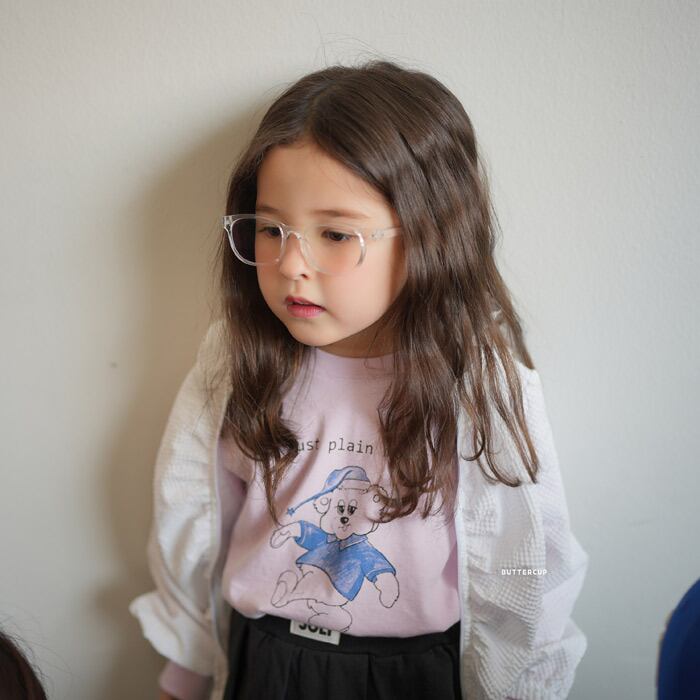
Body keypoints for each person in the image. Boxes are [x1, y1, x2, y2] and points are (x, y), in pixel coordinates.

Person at [129, 58, 589, 700]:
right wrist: (186, 669)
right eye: (271, 229)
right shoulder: (237, 359)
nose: (292, 263)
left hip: (417, 674)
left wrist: (523, 686)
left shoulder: (477, 382)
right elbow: (193, 513)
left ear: (428, 235)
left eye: (336, 234)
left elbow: (531, 557)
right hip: (268, 662)